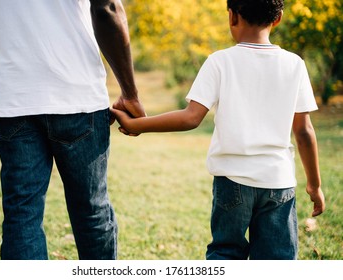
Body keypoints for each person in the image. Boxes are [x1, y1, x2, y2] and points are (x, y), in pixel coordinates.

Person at [112, 0, 325, 260]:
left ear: (232, 16)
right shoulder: (295, 64)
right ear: (278, 18)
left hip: (232, 181)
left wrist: (137, 125)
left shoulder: (220, 61)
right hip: (278, 183)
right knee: (277, 260)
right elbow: (304, 132)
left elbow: (191, 117)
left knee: (225, 254)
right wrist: (314, 185)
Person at [0, 0, 145, 260]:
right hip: (75, 92)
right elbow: (107, 8)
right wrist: (130, 93)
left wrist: (8, 78)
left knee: (22, 213)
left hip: (13, 97)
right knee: (91, 210)